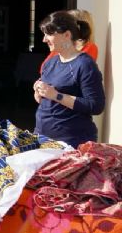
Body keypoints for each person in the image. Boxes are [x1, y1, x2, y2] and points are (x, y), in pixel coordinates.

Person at [33, 11, 105, 148]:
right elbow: (44, 99)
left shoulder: (85, 64)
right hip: (42, 137)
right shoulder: (51, 62)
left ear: (66, 35)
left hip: (72, 142)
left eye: (49, 34)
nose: (44, 39)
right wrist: (39, 92)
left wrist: (56, 95)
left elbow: (96, 106)